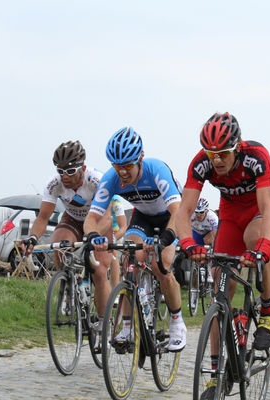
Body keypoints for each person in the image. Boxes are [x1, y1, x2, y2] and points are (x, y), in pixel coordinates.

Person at [175, 112, 270, 400]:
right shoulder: (201, 163)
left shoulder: (256, 157)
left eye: (223, 153)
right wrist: (188, 242)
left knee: (254, 239)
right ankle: (214, 377)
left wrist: (263, 248)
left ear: (237, 146)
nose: (217, 160)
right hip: (231, 214)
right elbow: (184, 211)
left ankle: (267, 311)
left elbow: (269, 208)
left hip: (263, 208)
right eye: (212, 154)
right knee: (219, 288)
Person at [84, 127, 187, 352]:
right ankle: (129, 326)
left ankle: (177, 322)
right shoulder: (111, 179)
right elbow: (92, 218)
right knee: (129, 258)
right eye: (117, 166)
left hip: (171, 217)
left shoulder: (156, 170)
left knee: (161, 267)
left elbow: (178, 211)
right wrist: (93, 236)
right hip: (143, 218)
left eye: (128, 165)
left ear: (140, 158)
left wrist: (166, 238)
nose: (122, 172)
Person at [21, 140, 114, 316]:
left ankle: (103, 324)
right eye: (60, 171)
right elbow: (43, 218)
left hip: (99, 221)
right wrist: (33, 238)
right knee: (59, 246)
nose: (65, 176)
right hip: (72, 219)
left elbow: (107, 217)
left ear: (83, 168)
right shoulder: (54, 184)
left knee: (100, 273)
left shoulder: (97, 180)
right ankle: (71, 283)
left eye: (70, 171)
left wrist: (92, 236)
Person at [108, 194, 128, 289]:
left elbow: (123, 227)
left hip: (115, 230)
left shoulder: (115, 199)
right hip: (101, 229)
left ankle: (115, 289)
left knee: (113, 250)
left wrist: (114, 240)